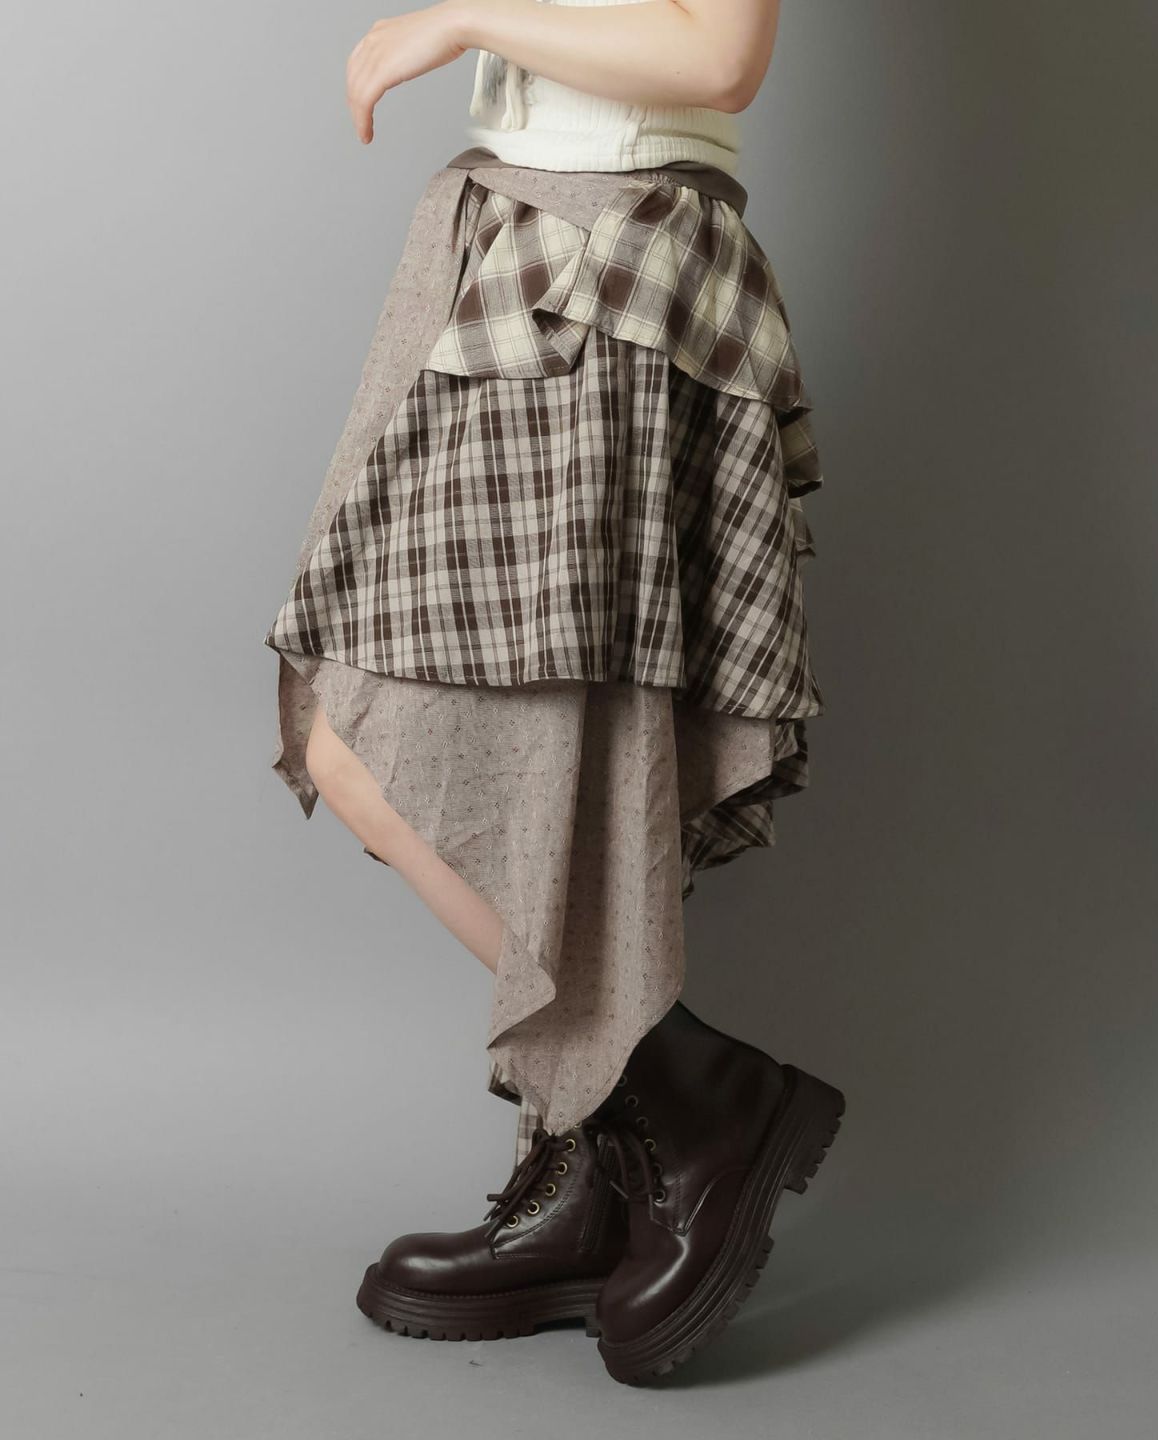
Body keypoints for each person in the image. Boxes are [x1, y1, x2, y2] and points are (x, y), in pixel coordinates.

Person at [262, 0, 845, 1385]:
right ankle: (607, 1173)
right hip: (516, 247)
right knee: (505, 769)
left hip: (607, 262)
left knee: (499, 752)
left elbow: (719, 58)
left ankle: (692, 1102)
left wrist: (461, 16)